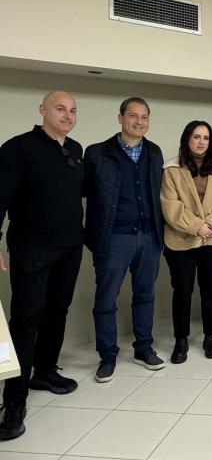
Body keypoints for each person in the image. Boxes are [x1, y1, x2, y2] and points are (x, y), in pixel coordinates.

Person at [0, 92, 84, 440]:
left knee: (57, 311)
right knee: (25, 321)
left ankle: (45, 371)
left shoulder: (75, 149)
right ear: (43, 111)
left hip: (70, 247)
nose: (67, 115)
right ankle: (13, 403)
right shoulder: (17, 148)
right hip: (31, 249)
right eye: (60, 109)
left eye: (72, 110)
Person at [84, 97, 165, 383]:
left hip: (149, 236)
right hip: (113, 238)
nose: (139, 122)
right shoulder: (97, 153)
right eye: (133, 116)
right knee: (106, 298)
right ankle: (107, 356)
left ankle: (143, 348)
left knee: (145, 294)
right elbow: (85, 192)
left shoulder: (154, 152)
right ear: (120, 118)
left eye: (144, 117)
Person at [161, 121, 212, 364]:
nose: (201, 141)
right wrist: (196, 226)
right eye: (196, 136)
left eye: (206, 137)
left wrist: (210, 224)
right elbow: (171, 206)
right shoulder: (171, 169)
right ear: (187, 139)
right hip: (181, 240)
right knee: (182, 291)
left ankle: (210, 337)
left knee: (210, 290)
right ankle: (180, 340)